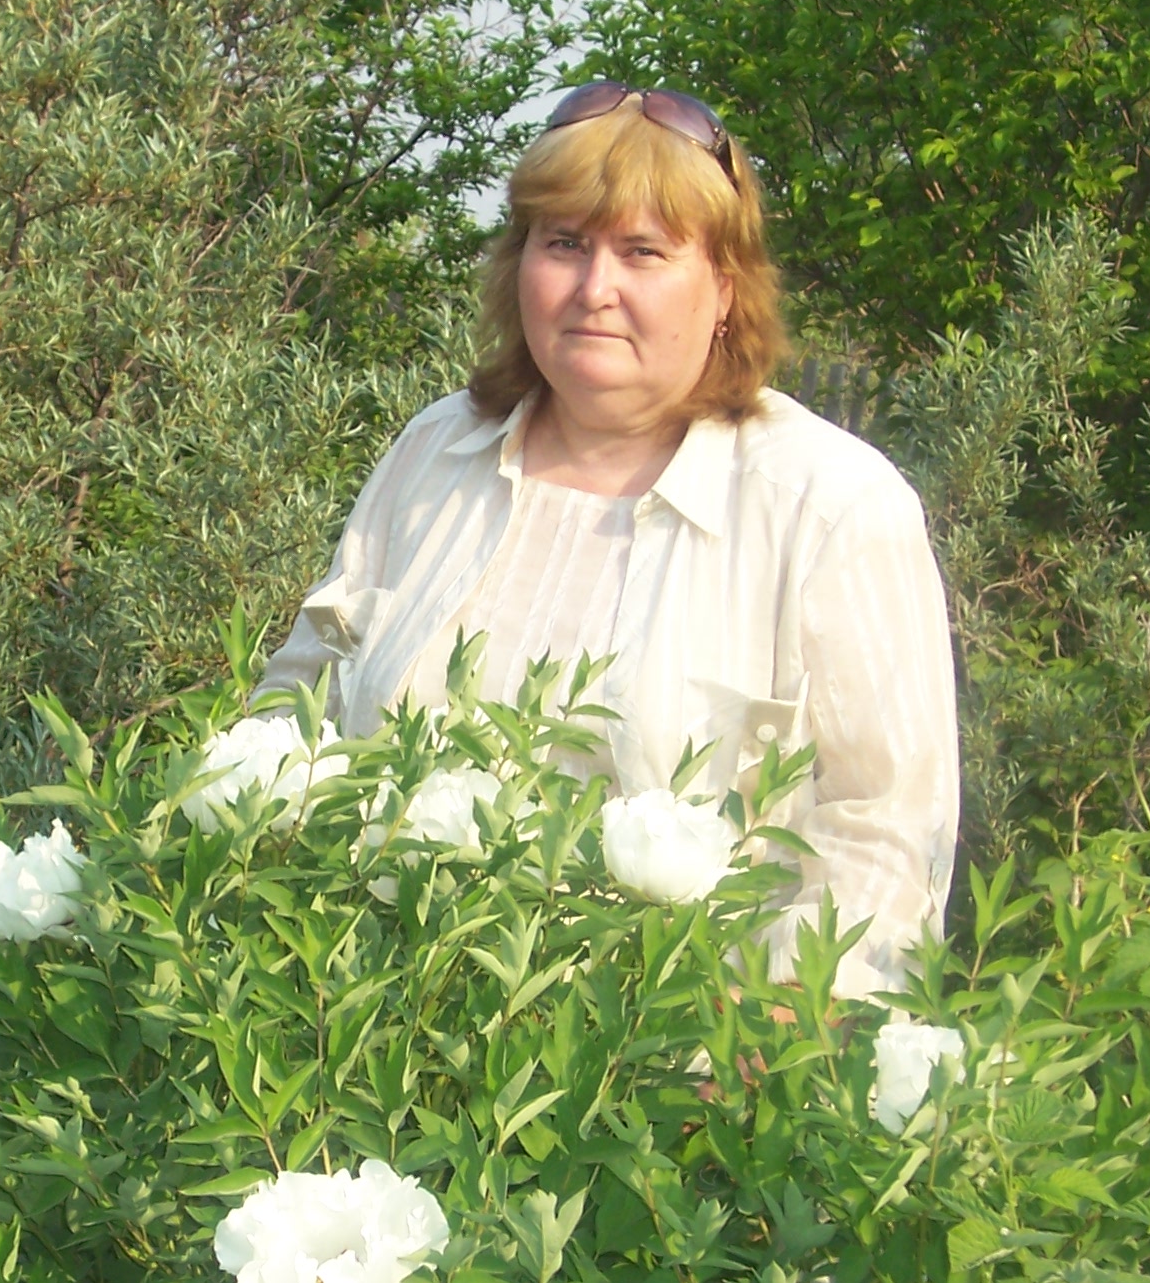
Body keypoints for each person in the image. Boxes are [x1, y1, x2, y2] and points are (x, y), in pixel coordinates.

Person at [255, 84, 958, 995]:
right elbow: (296, 701)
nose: (596, 288)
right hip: (377, 1053)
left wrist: (771, 1031)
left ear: (724, 292)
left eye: (644, 252)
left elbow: (888, 832)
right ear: (519, 268)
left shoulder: (829, 506)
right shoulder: (435, 452)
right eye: (564, 244)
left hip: (676, 1081)